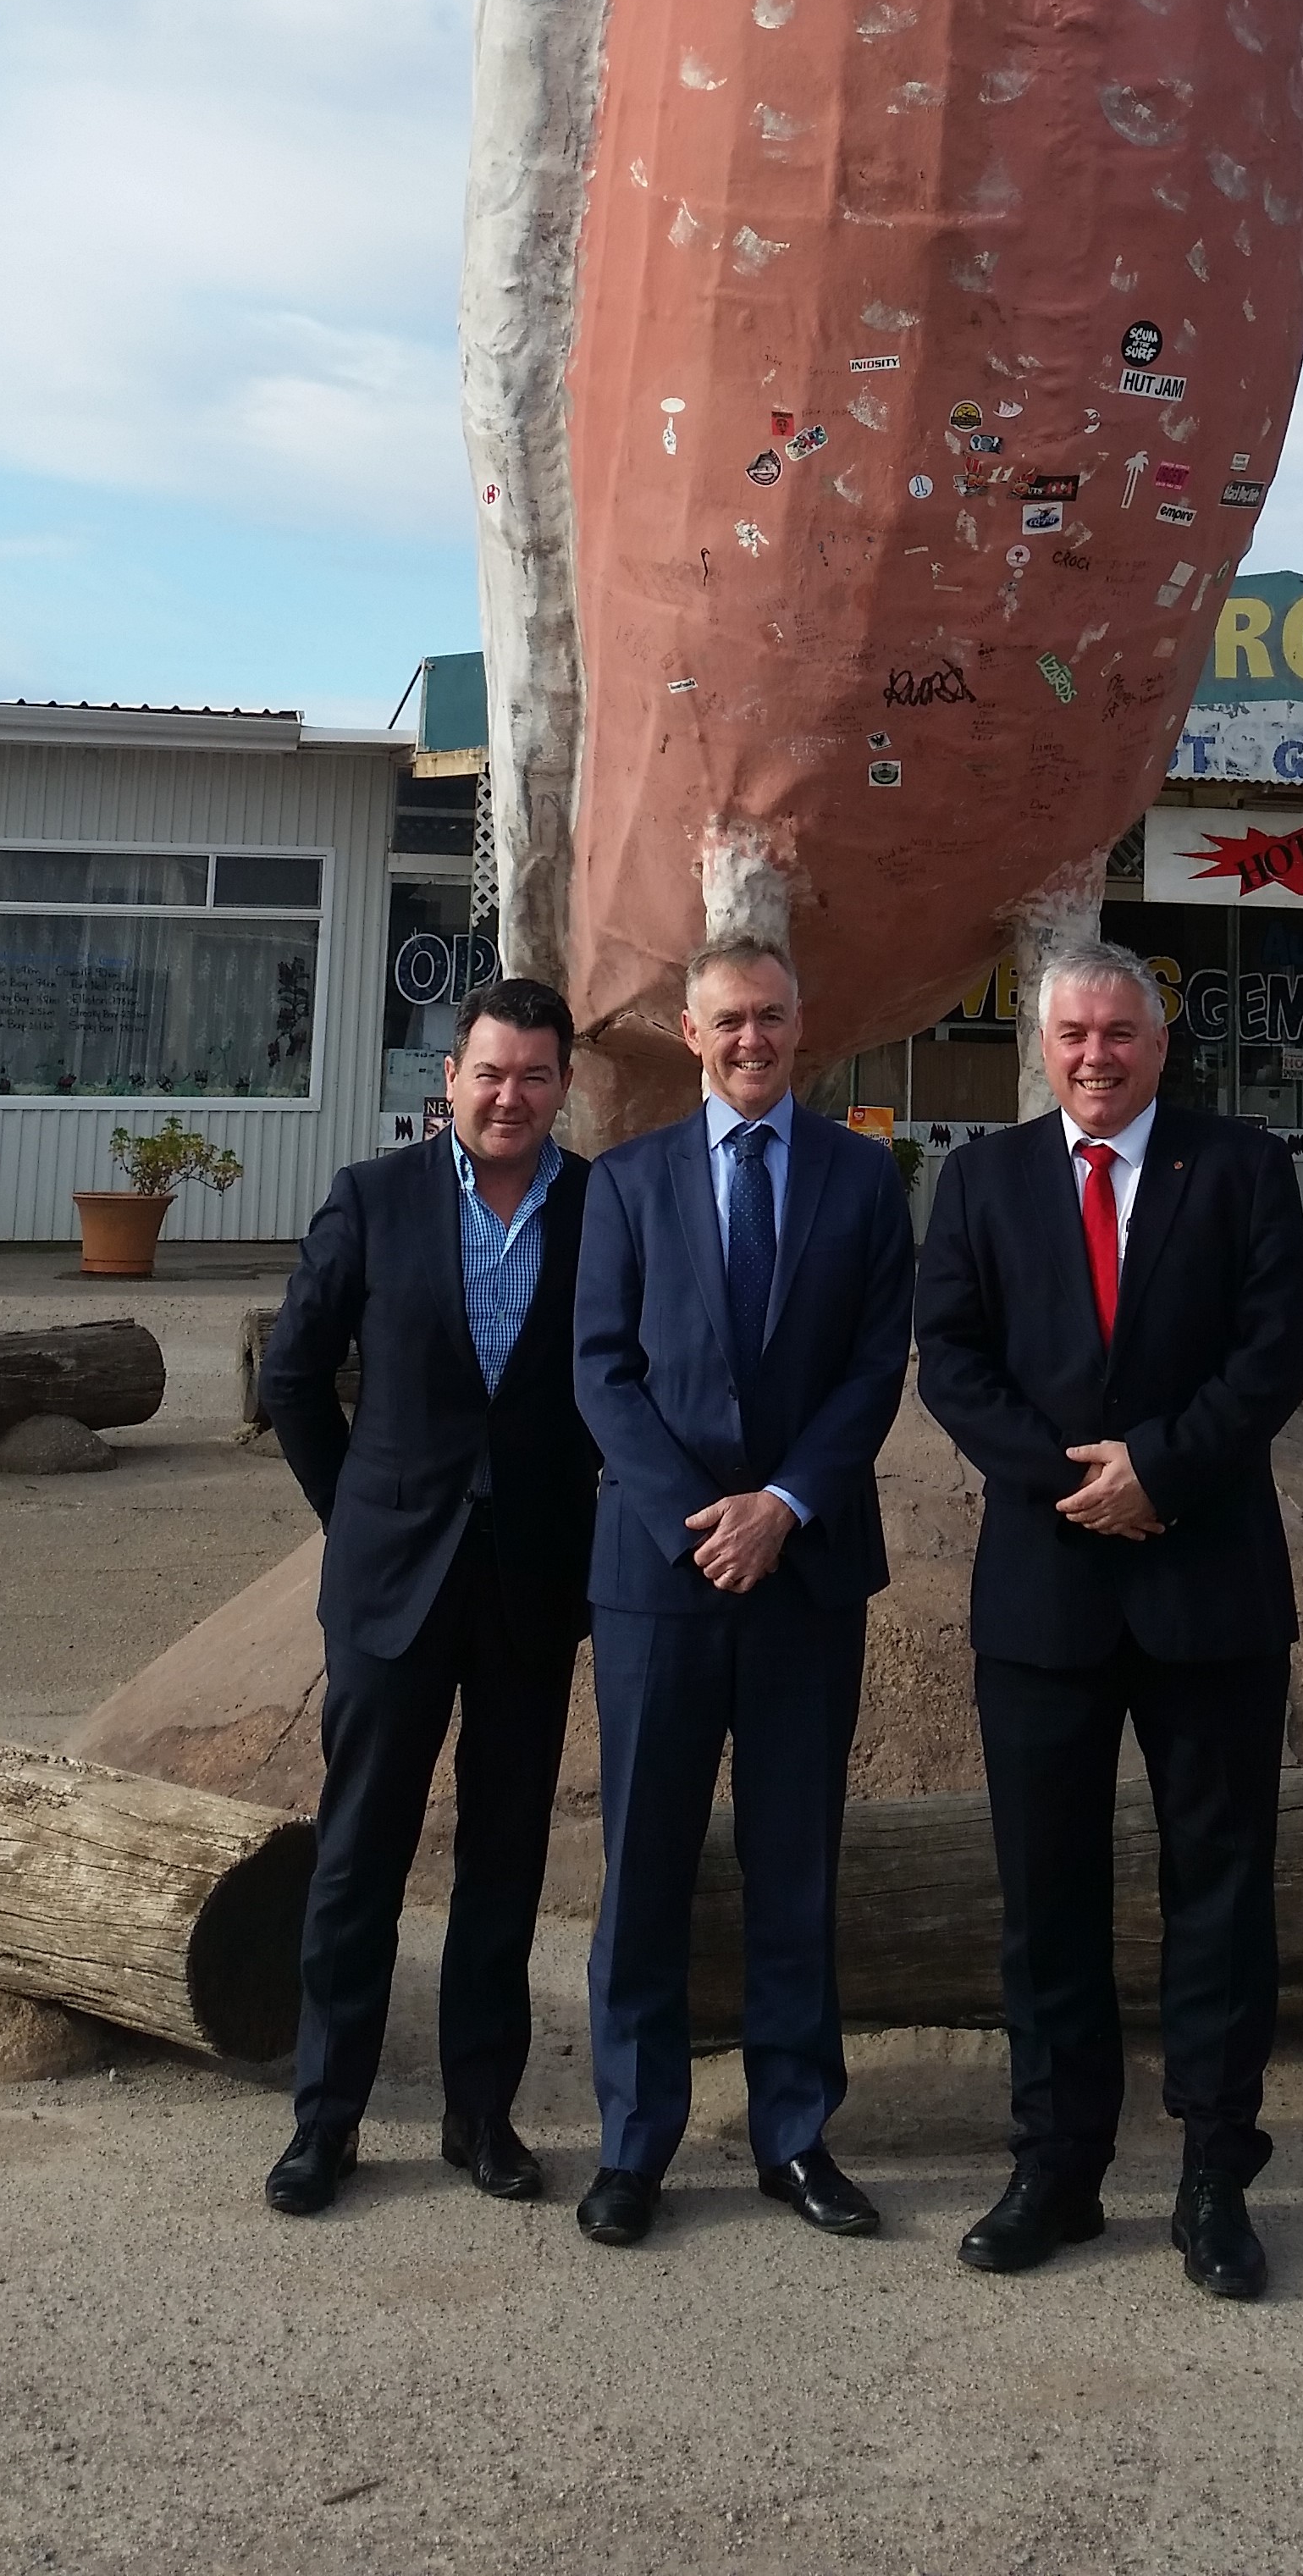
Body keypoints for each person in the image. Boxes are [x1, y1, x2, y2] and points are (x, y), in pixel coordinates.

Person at [913, 944, 1303, 2302]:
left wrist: (1161, 1469)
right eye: (1074, 1034)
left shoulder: (1245, 1167)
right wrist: (1076, 1484)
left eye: (1121, 1034)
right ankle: (1058, 2167)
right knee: (1049, 1899)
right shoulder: (978, 1180)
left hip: (1210, 1590)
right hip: (1046, 1593)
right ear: (1044, 1044)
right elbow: (954, 1361)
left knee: (1219, 1893)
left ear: (1162, 1040)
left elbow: (1276, 1355)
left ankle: (1214, 2173)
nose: (1097, 1057)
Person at [570, 931, 915, 2248]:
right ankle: (633, 2144)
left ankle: (793, 2136)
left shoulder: (863, 1179)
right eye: (730, 1022)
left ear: (799, 1025)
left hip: (806, 1572)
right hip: (660, 1583)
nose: (753, 1040)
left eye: (772, 1016)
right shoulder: (628, 1182)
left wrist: (783, 1508)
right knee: (643, 1867)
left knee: (792, 1865)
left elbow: (875, 1366)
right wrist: (699, 1520)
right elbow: (603, 1372)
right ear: (690, 1032)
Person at [257, 975, 599, 2215]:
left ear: (565, 1086)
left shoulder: (602, 1208)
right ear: (447, 1079)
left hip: (530, 1590)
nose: (511, 1096)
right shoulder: (373, 1200)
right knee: (360, 1856)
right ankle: (327, 2120)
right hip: (392, 1584)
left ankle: (481, 2115)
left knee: (504, 1859)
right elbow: (292, 1378)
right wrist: (353, 1516)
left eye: (536, 1076)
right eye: (490, 1072)